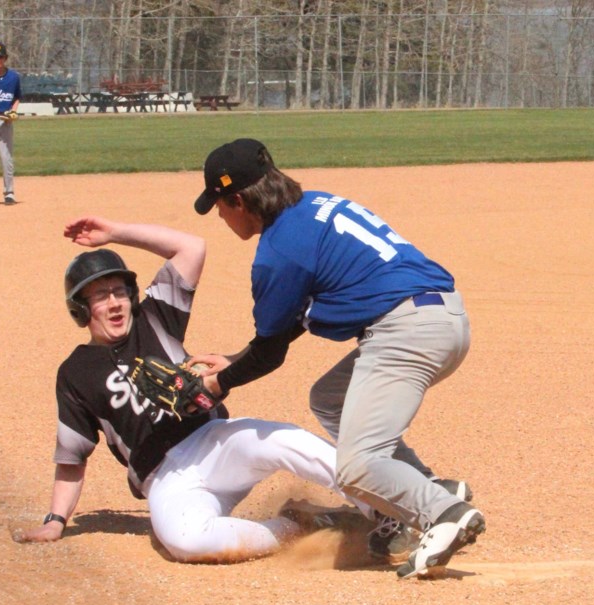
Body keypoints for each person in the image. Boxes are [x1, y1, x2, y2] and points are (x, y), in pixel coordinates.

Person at [189, 138, 485, 578]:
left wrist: (220, 383)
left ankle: (443, 512)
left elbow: (271, 352)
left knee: (356, 467)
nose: (219, 215)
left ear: (238, 200)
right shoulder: (314, 205)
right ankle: (423, 484)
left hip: (406, 333)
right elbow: (286, 325)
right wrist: (234, 359)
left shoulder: (277, 253)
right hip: (443, 317)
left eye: (219, 204)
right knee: (330, 397)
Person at [12, 216, 372, 563]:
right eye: (100, 296)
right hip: (166, 480)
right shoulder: (75, 373)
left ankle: (391, 506)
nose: (114, 303)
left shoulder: (154, 318)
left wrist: (115, 232)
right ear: (80, 309)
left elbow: (191, 248)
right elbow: (72, 460)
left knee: (285, 441)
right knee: (187, 541)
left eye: (119, 291)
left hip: (214, 442)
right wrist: (55, 522)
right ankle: (297, 525)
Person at [0, 42, 21, 206]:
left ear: (6, 58)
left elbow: (16, 97)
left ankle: (9, 193)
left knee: (6, 157)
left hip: (4, 120)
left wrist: (13, 111)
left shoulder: (13, 77)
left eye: (0, 57)